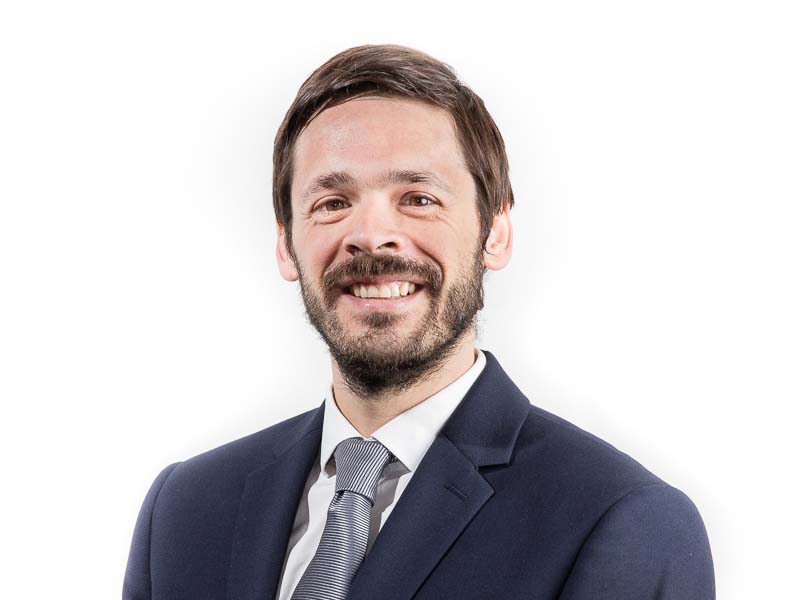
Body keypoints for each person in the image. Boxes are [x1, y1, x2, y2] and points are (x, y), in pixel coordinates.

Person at [123, 44, 715, 600]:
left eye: (418, 198)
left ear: (496, 232)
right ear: (286, 245)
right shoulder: (184, 511)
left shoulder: (622, 521)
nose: (371, 235)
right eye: (332, 203)